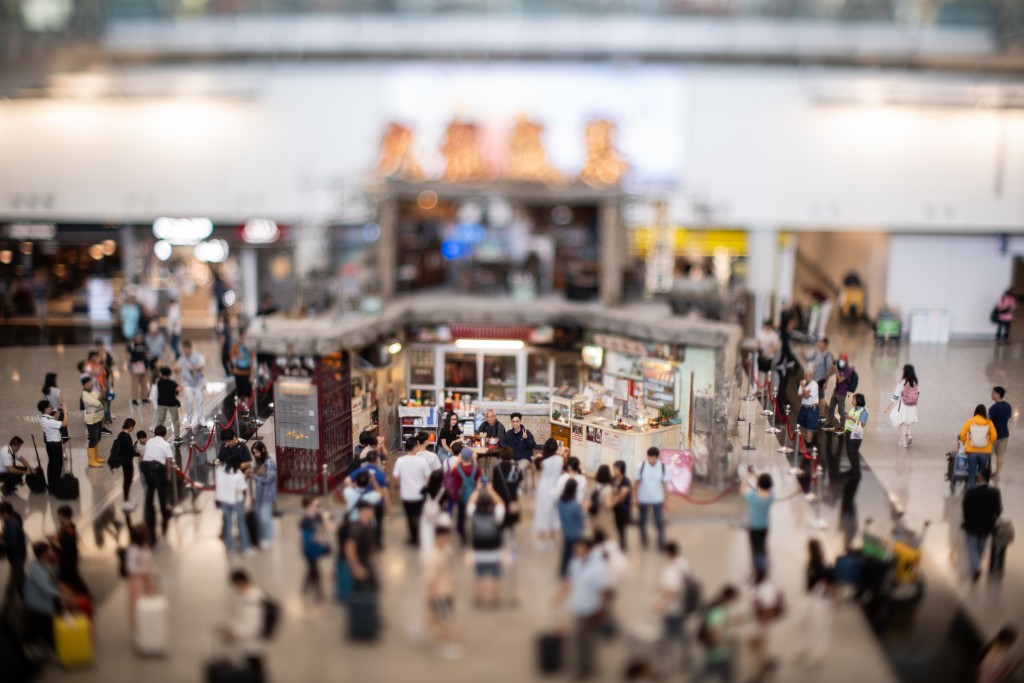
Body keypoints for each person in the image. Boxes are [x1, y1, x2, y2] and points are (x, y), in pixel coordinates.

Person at [556, 537, 612, 681]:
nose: (576, 551)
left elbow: (603, 591)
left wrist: (602, 609)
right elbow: (570, 582)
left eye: (580, 549)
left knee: (582, 641)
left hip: (591, 609)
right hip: (578, 607)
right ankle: (587, 666)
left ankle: (583, 669)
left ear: (588, 550)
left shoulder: (598, 568)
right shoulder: (575, 564)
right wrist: (559, 597)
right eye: (576, 549)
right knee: (584, 641)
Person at [24, 541, 71, 652]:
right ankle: (55, 652)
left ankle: (46, 648)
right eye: (48, 550)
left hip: (43, 602)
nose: (50, 552)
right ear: (43, 553)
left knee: (45, 627)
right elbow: (45, 587)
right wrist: (61, 595)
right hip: (37, 604)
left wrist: (60, 586)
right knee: (47, 628)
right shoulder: (35, 569)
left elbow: (51, 578)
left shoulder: (44, 563)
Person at [220, 570, 266, 683]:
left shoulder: (253, 600)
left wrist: (233, 632)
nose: (235, 589)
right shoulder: (253, 594)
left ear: (240, 583)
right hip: (251, 647)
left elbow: (252, 626)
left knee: (254, 673)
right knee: (256, 670)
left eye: (235, 586)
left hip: (252, 645)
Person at [423, 525, 460, 659]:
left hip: (447, 590)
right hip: (440, 594)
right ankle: (443, 646)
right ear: (439, 537)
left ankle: (423, 628)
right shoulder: (433, 556)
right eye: (447, 538)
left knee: (436, 617)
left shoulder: (445, 550)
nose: (449, 540)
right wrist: (432, 598)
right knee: (445, 620)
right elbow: (430, 580)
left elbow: (447, 569)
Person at [467, 485, 506, 608]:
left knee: (479, 577)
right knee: (495, 578)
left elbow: (470, 502)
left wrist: (478, 489)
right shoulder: (497, 514)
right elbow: (500, 503)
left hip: (479, 550)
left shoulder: (473, 513)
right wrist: (491, 490)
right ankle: (494, 601)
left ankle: (478, 600)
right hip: (494, 550)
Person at [799, 539, 835, 669]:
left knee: (818, 625)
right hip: (811, 596)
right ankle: (807, 648)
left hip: (818, 598)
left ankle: (818, 654)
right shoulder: (813, 563)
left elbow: (825, 582)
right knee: (806, 623)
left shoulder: (819, 564)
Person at [658, 541, 695, 671]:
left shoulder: (670, 569)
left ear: (669, 553)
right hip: (684, 606)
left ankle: (665, 665)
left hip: (672, 609)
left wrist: (660, 605)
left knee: (667, 638)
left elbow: (672, 591)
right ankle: (687, 659)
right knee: (682, 633)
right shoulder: (684, 564)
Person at [963, 467, 1003, 582]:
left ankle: (975, 568)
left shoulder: (971, 492)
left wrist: (967, 519)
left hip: (972, 524)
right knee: (981, 547)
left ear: (980, 477)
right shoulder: (995, 492)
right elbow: (998, 510)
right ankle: (976, 565)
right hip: (987, 525)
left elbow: (966, 508)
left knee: (971, 547)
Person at [693, 585, 740, 683]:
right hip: (719, 652)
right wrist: (719, 642)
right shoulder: (718, 611)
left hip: (718, 652)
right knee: (716, 674)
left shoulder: (717, 607)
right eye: (734, 600)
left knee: (709, 673)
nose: (734, 603)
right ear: (729, 597)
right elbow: (714, 630)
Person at [393, 436, 432, 546]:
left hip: (406, 495)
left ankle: (413, 538)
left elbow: (396, 476)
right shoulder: (422, 461)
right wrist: (424, 484)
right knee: (419, 517)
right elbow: (428, 476)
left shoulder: (400, 460)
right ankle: (420, 537)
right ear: (415, 447)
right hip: (419, 494)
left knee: (410, 517)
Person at [141, 425, 174, 546]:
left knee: (150, 487)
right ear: (164, 434)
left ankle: (148, 508)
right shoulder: (166, 444)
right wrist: (169, 473)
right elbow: (169, 461)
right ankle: (164, 510)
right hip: (157, 468)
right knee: (161, 490)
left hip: (145, 466)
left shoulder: (149, 440)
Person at [350, 449, 388, 548]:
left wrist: (355, 487)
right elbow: (384, 492)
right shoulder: (380, 473)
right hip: (378, 503)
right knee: (378, 523)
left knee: (364, 522)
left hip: (364, 502)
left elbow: (347, 480)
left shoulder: (361, 470)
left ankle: (365, 542)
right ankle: (377, 543)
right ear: (376, 460)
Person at [217, 454, 252, 556]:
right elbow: (242, 488)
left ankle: (230, 548)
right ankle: (245, 548)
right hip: (237, 500)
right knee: (241, 523)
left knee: (228, 524)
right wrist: (246, 475)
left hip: (224, 500)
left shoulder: (220, 470)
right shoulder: (238, 475)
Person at [635, 447, 669, 551]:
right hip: (643, 498)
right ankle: (644, 538)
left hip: (657, 499)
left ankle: (661, 542)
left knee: (659, 521)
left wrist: (666, 499)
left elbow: (665, 484)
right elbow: (636, 482)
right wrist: (636, 498)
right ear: (647, 456)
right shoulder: (641, 466)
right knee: (642, 520)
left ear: (657, 457)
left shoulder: (663, 467)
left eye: (653, 458)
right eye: (650, 458)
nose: (651, 460)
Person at [533, 439, 565, 549]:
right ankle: (552, 540)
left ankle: (542, 540)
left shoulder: (542, 461)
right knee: (555, 514)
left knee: (542, 513)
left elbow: (536, 467)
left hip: (544, 488)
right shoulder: (560, 460)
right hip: (556, 487)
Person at [52, 505, 89, 597]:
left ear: (65, 516)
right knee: (73, 579)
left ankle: (81, 597)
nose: (58, 518)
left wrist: (54, 543)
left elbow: (66, 548)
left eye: (59, 515)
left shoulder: (68, 532)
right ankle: (82, 595)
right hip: (69, 560)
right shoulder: (67, 528)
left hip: (68, 560)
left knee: (71, 579)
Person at [299, 496, 329, 604]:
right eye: (315, 506)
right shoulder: (304, 521)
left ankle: (305, 590)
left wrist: (324, 531)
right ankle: (318, 594)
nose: (318, 508)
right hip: (308, 549)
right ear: (307, 507)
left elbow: (322, 527)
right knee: (314, 571)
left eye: (319, 506)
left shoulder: (319, 516)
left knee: (311, 571)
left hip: (316, 548)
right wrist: (312, 538)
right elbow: (301, 538)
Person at [744, 468, 775, 575]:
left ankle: (758, 570)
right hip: (765, 525)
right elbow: (766, 486)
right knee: (762, 546)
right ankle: (765, 563)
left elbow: (743, 490)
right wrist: (757, 475)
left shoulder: (753, 497)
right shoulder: (771, 496)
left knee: (755, 548)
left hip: (754, 526)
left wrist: (746, 476)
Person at [125, 522, 156, 630]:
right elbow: (131, 567)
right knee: (137, 603)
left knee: (149, 599)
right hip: (137, 580)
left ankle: (148, 623)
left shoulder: (144, 548)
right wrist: (145, 570)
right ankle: (138, 626)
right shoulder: (133, 551)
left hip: (146, 578)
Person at [960, 404, 997, 489]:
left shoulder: (970, 421)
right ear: (985, 412)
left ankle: (971, 493)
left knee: (972, 473)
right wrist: (988, 442)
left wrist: (966, 442)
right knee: (982, 473)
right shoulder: (989, 422)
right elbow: (994, 436)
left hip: (972, 451)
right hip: (985, 452)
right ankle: (982, 491)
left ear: (975, 411)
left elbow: (962, 434)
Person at [345, 499, 378, 593]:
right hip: (359, 562)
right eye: (371, 510)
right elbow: (349, 549)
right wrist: (357, 567)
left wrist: (375, 555)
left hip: (366, 560)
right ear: (364, 512)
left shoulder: (368, 525)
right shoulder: (357, 528)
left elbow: (370, 542)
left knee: (373, 586)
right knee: (362, 589)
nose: (373, 512)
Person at [451, 446, 482, 543]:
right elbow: (479, 476)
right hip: (472, 496)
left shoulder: (457, 470)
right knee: (473, 514)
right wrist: (475, 460)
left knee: (461, 515)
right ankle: (474, 533)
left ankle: (462, 534)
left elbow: (452, 470)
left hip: (461, 496)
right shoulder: (475, 469)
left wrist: (458, 459)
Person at [0, 502, 27, 611]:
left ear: (5, 512)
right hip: (17, 556)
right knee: (20, 582)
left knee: (11, 588)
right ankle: (28, 603)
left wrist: (2, 542)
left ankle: (4, 614)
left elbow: (12, 542)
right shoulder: (11, 520)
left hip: (17, 557)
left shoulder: (12, 523)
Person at [420, 469, 451, 562]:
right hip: (439, 516)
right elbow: (447, 502)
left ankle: (427, 556)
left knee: (426, 536)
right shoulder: (444, 491)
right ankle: (440, 555)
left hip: (426, 517)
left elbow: (421, 498)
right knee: (439, 536)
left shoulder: (425, 490)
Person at [557, 479, 585, 578]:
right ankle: (573, 572)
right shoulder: (575, 505)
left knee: (566, 552)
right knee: (575, 554)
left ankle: (563, 570)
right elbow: (580, 518)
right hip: (575, 532)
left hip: (565, 530)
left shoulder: (560, 502)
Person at [886, 364, 919, 449]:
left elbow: (896, 396)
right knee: (908, 421)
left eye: (903, 370)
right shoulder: (915, 381)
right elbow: (917, 393)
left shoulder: (903, 382)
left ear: (905, 371)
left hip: (904, 405)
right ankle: (908, 435)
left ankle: (903, 442)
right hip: (913, 406)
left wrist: (888, 406)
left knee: (902, 423)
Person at [38, 398, 68, 492]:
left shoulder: (44, 418)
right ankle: (55, 486)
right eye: (49, 406)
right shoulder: (48, 421)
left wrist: (59, 410)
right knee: (57, 465)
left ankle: (52, 484)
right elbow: (65, 423)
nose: (51, 407)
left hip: (50, 444)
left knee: (52, 464)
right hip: (54, 445)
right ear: (46, 409)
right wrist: (65, 411)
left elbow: (54, 418)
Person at [177, 339, 205, 434]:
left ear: (189, 348)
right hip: (187, 384)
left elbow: (202, 366)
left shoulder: (197, 356)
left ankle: (201, 418)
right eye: (183, 350)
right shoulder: (182, 358)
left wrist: (194, 368)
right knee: (189, 402)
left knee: (200, 401)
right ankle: (189, 420)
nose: (185, 352)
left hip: (197, 383)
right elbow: (177, 366)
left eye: (186, 350)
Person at [491, 446, 521, 536]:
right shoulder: (515, 468)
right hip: (512, 499)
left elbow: (494, 485)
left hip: (500, 499)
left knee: (500, 522)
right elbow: (519, 481)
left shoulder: (497, 468)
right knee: (512, 525)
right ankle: (513, 544)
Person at [843, 394, 868, 491]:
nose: (852, 400)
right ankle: (853, 468)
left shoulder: (864, 412)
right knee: (849, 452)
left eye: (853, 399)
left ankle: (856, 473)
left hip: (856, 434)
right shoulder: (853, 409)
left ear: (858, 401)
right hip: (849, 432)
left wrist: (851, 418)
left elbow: (862, 423)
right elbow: (850, 420)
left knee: (853, 452)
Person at [152, 366, 183, 445]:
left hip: (161, 403)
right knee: (175, 420)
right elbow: (179, 389)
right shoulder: (172, 383)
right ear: (169, 374)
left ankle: (157, 435)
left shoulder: (159, 383)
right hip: (172, 403)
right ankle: (176, 437)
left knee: (160, 419)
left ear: (162, 374)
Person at [112, 418, 138, 509]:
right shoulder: (127, 437)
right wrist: (139, 453)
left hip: (123, 460)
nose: (133, 429)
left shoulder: (120, 434)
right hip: (127, 461)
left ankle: (126, 500)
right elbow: (130, 452)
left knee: (127, 480)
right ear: (130, 427)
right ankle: (126, 501)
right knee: (128, 480)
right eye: (133, 427)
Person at [804, 337, 834, 416]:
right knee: (813, 395)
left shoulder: (828, 356)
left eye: (821, 343)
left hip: (821, 379)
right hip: (814, 378)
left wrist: (826, 382)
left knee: (821, 397)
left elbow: (828, 371)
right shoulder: (817, 353)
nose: (819, 344)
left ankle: (822, 414)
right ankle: (814, 411)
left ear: (825, 345)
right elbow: (809, 359)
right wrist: (804, 356)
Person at [824, 352, 854, 431]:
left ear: (846, 361)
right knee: (831, 408)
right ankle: (830, 423)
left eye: (842, 359)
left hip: (842, 393)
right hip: (836, 390)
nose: (840, 361)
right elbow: (830, 374)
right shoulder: (839, 367)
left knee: (841, 410)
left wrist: (836, 370)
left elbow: (840, 380)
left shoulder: (848, 370)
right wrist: (833, 367)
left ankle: (842, 426)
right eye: (840, 359)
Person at [82, 375, 106, 468]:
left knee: (97, 438)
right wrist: (100, 397)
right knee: (93, 439)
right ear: (85, 384)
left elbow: (101, 397)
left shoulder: (92, 391)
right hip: (92, 420)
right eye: (89, 383)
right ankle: (91, 460)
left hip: (98, 418)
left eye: (91, 382)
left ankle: (95, 457)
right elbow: (97, 403)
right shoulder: (85, 395)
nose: (91, 384)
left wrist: (100, 395)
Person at [989, 387, 1012, 479]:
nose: (992, 394)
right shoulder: (1008, 406)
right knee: (1000, 455)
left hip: (993, 436)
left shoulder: (993, 408)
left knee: (988, 456)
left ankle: (987, 473)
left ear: (998, 394)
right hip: (1004, 434)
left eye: (993, 393)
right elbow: (1009, 416)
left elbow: (990, 422)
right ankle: (997, 474)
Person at [754, 319, 781, 398]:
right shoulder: (761, 332)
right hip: (761, 354)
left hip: (769, 356)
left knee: (767, 373)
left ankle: (766, 389)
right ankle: (759, 389)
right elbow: (758, 342)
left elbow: (775, 346)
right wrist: (757, 348)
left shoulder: (773, 335)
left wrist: (767, 352)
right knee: (760, 372)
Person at [589, 464, 616, 538]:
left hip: (594, 515)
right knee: (604, 537)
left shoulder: (595, 485)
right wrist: (616, 499)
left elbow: (590, 498)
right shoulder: (608, 489)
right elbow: (608, 505)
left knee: (595, 536)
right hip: (604, 516)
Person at [42, 372, 70, 442]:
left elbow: (45, 402)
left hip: (50, 413)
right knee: (63, 434)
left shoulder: (44, 391)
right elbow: (61, 403)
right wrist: (65, 410)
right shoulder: (56, 390)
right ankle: (63, 450)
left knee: (52, 430)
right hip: (59, 413)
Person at [611, 460, 632, 552]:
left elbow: (621, 496)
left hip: (623, 509)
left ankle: (623, 545)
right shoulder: (612, 479)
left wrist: (611, 503)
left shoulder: (626, 481)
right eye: (614, 468)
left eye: (616, 469)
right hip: (615, 509)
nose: (614, 471)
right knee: (615, 526)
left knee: (622, 528)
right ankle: (617, 544)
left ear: (622, 470)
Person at [231, 328, 254, 408]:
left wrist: (252, 374)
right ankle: (240, 406)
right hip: (238, 371)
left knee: (247, 391)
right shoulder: (236, 346)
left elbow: (252, 360)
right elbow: (232, 358)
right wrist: (237, 356)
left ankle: (247, 406)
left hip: (247, 372)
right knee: (239, 390)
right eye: (243, 336)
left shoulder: (250, 347)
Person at [796, 369, 819, 447]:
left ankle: (808, 446)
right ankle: (803, 445)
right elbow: (799, 396)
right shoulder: (803, 382)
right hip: (803, 407)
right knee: (802, 427)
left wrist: (803, 388)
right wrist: (805, 392)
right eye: (806, 376)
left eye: (809, 376)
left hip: (812, 408)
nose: (807, 377)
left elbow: (806, 396)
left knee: (809, 428)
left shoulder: (814, 385)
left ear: (812, 376)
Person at [127, 330, 150, 406]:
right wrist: (129, 367)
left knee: (144, 383)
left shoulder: (144, 344)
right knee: (135, 383)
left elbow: (147, 355)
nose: (139, 338)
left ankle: (144, 398)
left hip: (144, 367)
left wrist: (147, 366)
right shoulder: (132, 344)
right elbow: (128, 356)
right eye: (138, 337)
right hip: (135, 367)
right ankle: (134, 399)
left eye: (141, 337)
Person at [166, 294, 182, 360]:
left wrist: (171, 331)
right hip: (174, 330)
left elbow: (174, 321)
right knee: (173, 344)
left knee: (173, 344)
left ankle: (178, 355)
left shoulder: (174, 309)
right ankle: (177, 356)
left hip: (174, 331)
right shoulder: (174, 308)